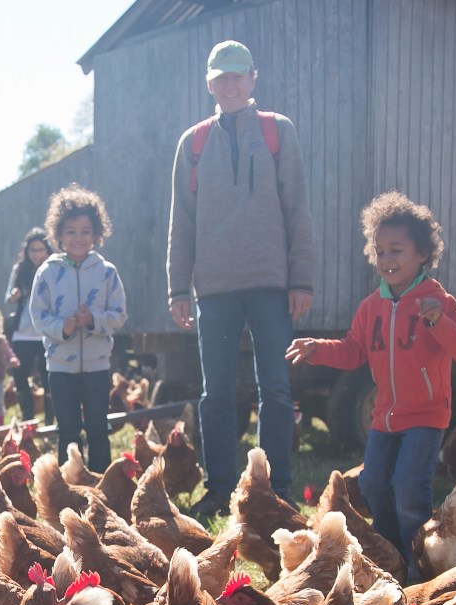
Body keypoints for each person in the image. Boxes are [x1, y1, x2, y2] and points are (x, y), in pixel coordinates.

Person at [286, 192, 456, 567]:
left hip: (425, 416)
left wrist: (439, 320)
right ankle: (392, 552)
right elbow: (354, 350)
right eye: (380, 252)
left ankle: (417, 560)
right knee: (373, 484)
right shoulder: (371, 306)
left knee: (409, 490)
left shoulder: (437, 300)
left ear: (422, 253)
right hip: (384, 417)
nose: (387, 260)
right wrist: (318, 348)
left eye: (397, 250)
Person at [168, 39, 316, 519]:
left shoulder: (277, 132)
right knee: (216, 392)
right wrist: (177, 286)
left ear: (253, 78)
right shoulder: (192, 143)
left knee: (274, 387)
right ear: (209, 83)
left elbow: (298, 209)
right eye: (220, 77)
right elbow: (182, 221)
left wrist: (302, 281)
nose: (229, 84)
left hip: (272, 283)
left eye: (237, 75)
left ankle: (276, 489)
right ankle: (220, 487)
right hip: (214, 287)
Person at [31, 185, 126, 473]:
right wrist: (65, 326)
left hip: (97, 365)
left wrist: (92, 321)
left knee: (98, 428)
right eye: (71, 231)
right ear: (58, 234)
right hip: (61, 367)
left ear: (97, 234)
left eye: (85, 231)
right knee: (68, 430)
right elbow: (39, 316)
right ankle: (66, 488)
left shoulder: (107, 271)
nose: (78, 238)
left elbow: (119, 315)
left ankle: (103, 486)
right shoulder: (47, 272)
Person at [4, 227, 53, 423]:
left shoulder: (54, 269)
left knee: (48, 376)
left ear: (47, 250)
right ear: (27, 251)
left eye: (41, 250)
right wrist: (14, 295)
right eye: (33, 250)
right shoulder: (20, 269)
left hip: (46, 332)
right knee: (20, 376)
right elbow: (8, 296)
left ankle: (50, 419)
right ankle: (28, 419)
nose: (37, 254)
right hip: (23, 331)